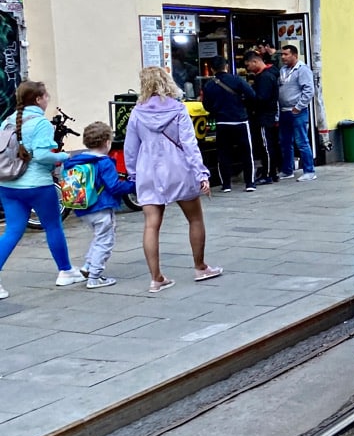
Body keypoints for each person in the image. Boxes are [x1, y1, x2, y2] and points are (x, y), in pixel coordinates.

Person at [125, 66, 222, 293]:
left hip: (148, 170)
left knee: (151, 225)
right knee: (195, 219)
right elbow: (189, 144)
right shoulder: (178, 109)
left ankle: (156, 278)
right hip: (178, 168)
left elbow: (131, 148)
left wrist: (133, 174)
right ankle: (200, 267)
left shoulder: (137, 112)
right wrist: (201, 173)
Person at [0, 81, 84, 298]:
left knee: (12, 231)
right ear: (38, 99)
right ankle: (65, 271)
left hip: (8, 185)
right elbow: (43, 156)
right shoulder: (41, 123)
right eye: (46, 96)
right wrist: (65, 156)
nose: (48, 99)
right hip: (37, 185)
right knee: (53, 227)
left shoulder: (7, 121)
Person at [62, 121, 137, 288]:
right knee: (105, 241)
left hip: (83, 207)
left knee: (99, 237)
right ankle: (95, 277)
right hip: (101, 206)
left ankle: (88, 267)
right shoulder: (104, 162)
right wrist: (134, 185)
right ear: (107, 142)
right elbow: (114, 186)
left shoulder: (78, 160)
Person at [202, 56, 258, 193]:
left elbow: (206, 105)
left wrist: (217, 110)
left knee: (223, 154)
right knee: (246, 153)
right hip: (240, 120)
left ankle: (226, 184)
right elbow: (252, 95)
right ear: (226, 66)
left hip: (222, 122)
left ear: (212, 69)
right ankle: (249, 183)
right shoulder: (237, 80)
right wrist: (242, 105)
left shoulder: (209, 85)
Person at [278, 44, 317, 181]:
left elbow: (309, 90)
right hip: (284, 111)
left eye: (286, 54)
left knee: (301, 141)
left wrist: (299, 106)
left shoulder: (302, 70)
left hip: (297, 111)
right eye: (282, 54)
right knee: (285, 141)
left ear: (295, 55)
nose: (283, 57)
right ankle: (288, 170)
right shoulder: (283, 70)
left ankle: (309, 171)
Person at [244, 51, 281, 183]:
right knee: (268, 144)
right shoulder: (267, 75)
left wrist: (249, 97)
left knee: (266, 146)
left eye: (248, 65)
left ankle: (268, 174)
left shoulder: (265, 77)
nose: (248, 68)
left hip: (264, 116)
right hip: (267, 115)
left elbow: (262, 98)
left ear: (255, 62)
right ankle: (272, 172)